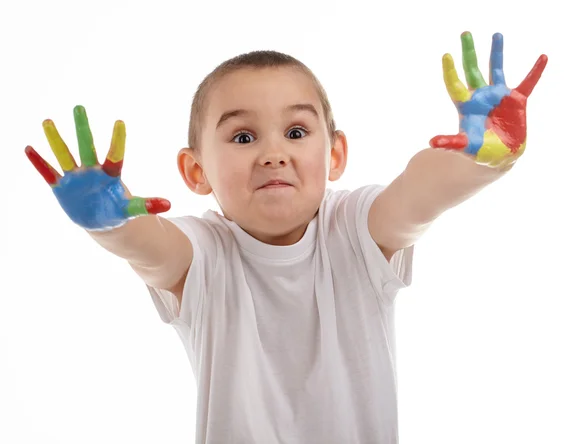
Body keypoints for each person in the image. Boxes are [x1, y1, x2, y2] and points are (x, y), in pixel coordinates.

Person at [25, 31, 547, 443]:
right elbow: (153, 249)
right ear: (195, 170)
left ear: (335, 154)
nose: (273, 152)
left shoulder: (357, 229)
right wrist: (112, 222)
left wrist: (481, 158)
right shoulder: (204, 255)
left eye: (296, 133)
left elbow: (418, 197)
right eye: (243, 137)